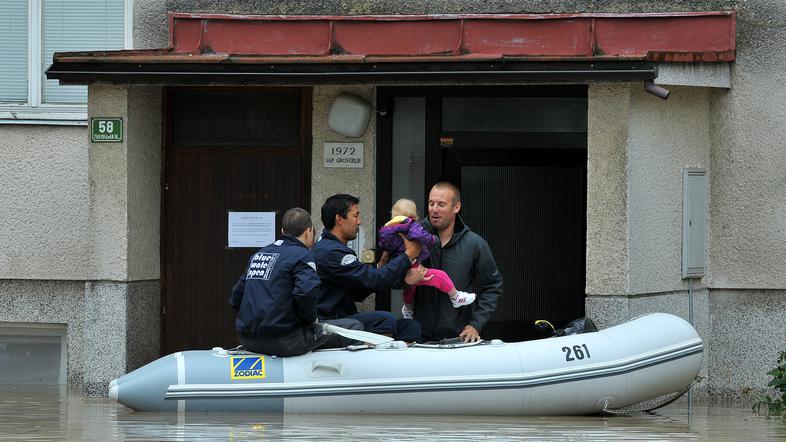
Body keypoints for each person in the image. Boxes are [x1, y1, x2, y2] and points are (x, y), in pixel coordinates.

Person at [229, 207, 363, 356]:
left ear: (283, 230)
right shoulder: (303, 255)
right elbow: (306, 293)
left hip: (248, 339)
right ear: (308, 231)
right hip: (286, 340)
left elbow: (235, 298)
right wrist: (310, 321)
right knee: (354, 327)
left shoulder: (259, 254)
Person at [313, 194, 426, 342]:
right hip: (331, 323)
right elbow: (374, 280)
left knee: (410, 326)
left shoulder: (334, 248)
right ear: (339, 219)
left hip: (344, 319)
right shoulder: (331, 252)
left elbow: (360, 291)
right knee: (386, 320)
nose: (359, 222)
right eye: (355, 216)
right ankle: (371, 359)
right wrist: (408, 255)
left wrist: (383, 263)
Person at [414, 182, 503, 343]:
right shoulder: (415, 237)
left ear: (456, 207)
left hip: (457, 338)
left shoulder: (475, 244)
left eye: (441, 204)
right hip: (417, 337)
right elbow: (394, 276)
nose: (434, 209)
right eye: (431, 203)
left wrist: (475, 324)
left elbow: (493, 286)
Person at [378, 198, 476, 320]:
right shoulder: (409, 224)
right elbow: (420, 235)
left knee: (410, 287)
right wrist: (434, 240)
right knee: (439, 276)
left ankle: (408, 308)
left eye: (441, 204)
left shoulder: (387, 230)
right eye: (431, 204)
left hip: (397, 267)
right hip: (411, 265)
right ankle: (455, 297)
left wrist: (383, 262)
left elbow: (383, 246)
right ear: (413, 215)